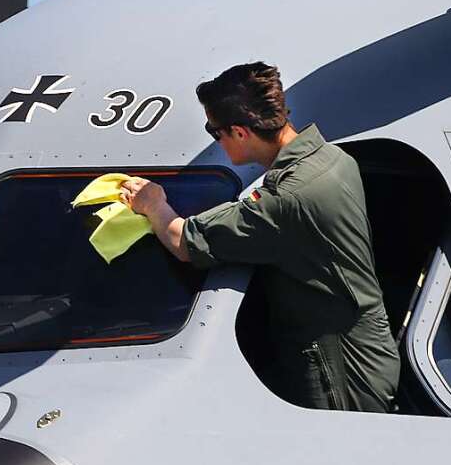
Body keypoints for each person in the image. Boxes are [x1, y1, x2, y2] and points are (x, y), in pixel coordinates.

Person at [120, 62, 399, 412]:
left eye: (214, 132)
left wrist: (154, 204)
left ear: (240, 132)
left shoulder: (287, 198)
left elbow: (184, 242)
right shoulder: (332, 158)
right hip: (367, 346)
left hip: (339, 370)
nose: (216, 141)